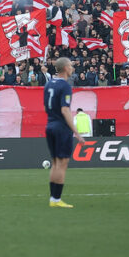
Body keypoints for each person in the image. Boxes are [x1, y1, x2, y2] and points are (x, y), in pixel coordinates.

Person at [43, 57, 85, 208]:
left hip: (50, 125)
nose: (72, 68)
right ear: (66, 68)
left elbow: (46, 106)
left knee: (55, 163)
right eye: (71, 66)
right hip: (61, 128)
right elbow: (65, 110)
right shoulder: (65, 86)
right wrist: (76, 133)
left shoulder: (48, 84)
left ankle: (53, 199)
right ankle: (56, 199)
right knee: (62, 163)